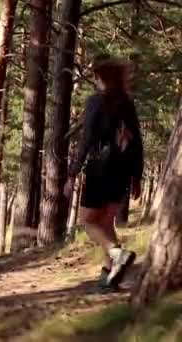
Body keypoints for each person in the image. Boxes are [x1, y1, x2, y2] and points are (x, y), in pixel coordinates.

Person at [65, 54, 144, 293]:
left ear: (100, 77)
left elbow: (88, 138)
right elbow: (137, 141)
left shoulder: (96, 102)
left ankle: (117, 254)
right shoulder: (127, 103)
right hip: (122, 170)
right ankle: (108, 277)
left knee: (87, 221)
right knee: (106, 221)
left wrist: (73, 172)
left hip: (100, 167)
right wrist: (136, 176)